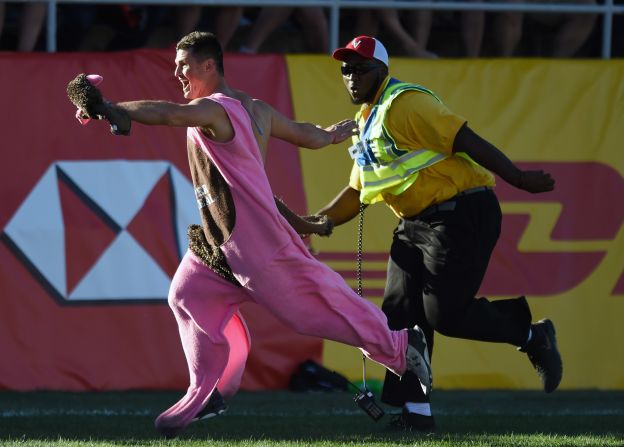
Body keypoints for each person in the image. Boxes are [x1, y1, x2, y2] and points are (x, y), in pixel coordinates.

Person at [71, 31, 433, 438]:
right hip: (220, 244)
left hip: (256, 245)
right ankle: (210, 390)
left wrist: (111, 107)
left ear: (210, 66)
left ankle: (402, 347)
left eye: (184, 65)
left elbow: (168, 113)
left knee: (314, 308)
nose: (176, 72)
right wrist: (332, 135)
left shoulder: (212, 109)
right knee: (186, 296)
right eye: (176, 65)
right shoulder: (255, 108)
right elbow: (305, 134)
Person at [317, 35, 563, 430]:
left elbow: (464, 138)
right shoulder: (367, 120)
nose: (351, 76)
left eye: (361, 68)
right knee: (398, 320)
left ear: (383, 70)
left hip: (461, 211)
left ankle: (533, 336)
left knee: (444, 315)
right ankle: (416, 414)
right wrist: (315, 224)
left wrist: (517, 177)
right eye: (346, 69)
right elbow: (357, 191)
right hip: (415, 224)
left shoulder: (405, 103)